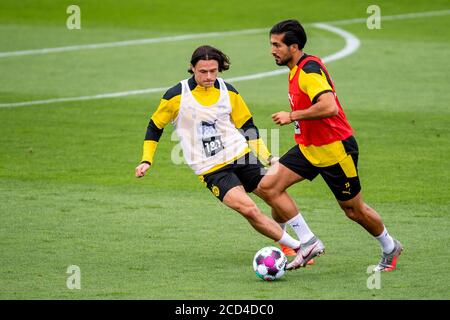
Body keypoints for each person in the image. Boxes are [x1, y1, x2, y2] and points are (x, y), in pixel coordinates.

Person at [135, 45, 314, 260]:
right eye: (203, 71)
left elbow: (248, 126)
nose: (209, 76)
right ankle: (297, 246)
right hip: (211, 169)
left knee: (273, 193)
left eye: (213, 71)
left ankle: (288, 241)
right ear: (192, 68)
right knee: (248, 209)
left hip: (241, 155)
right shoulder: (176, 96)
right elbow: (155, 126)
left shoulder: (228, 91)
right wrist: (147, 159)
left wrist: (267, 156)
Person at [258, 20, 403, 272]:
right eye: (271, 44)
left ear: (294, 47)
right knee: (269, 187)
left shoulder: (309, 71)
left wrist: (292, 116)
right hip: (308, 147)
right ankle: (307, 241)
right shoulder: (296, 68)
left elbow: (329, 107)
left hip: (334, 149)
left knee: (354, 211)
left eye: (277, 45)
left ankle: (390, 247)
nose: (272, 50)